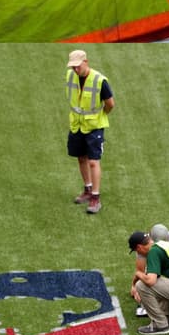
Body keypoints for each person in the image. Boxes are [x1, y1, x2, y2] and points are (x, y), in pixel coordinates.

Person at [67, 49, 114, 214]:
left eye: (77, 66)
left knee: (93, 161)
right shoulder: (71, 76)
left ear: (86, 62)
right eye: (73, 67)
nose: (75, 70)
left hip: (94, 126)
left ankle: (95, 197)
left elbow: (110, 104)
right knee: (81, 158)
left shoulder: (100, 81)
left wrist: (100, 116)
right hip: (77, 124)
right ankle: (87, 189)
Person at [133, 224, 169, 317]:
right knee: (146, 280)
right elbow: (141, 270)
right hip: (155, 263)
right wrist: (135, 287)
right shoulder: (143, 244)